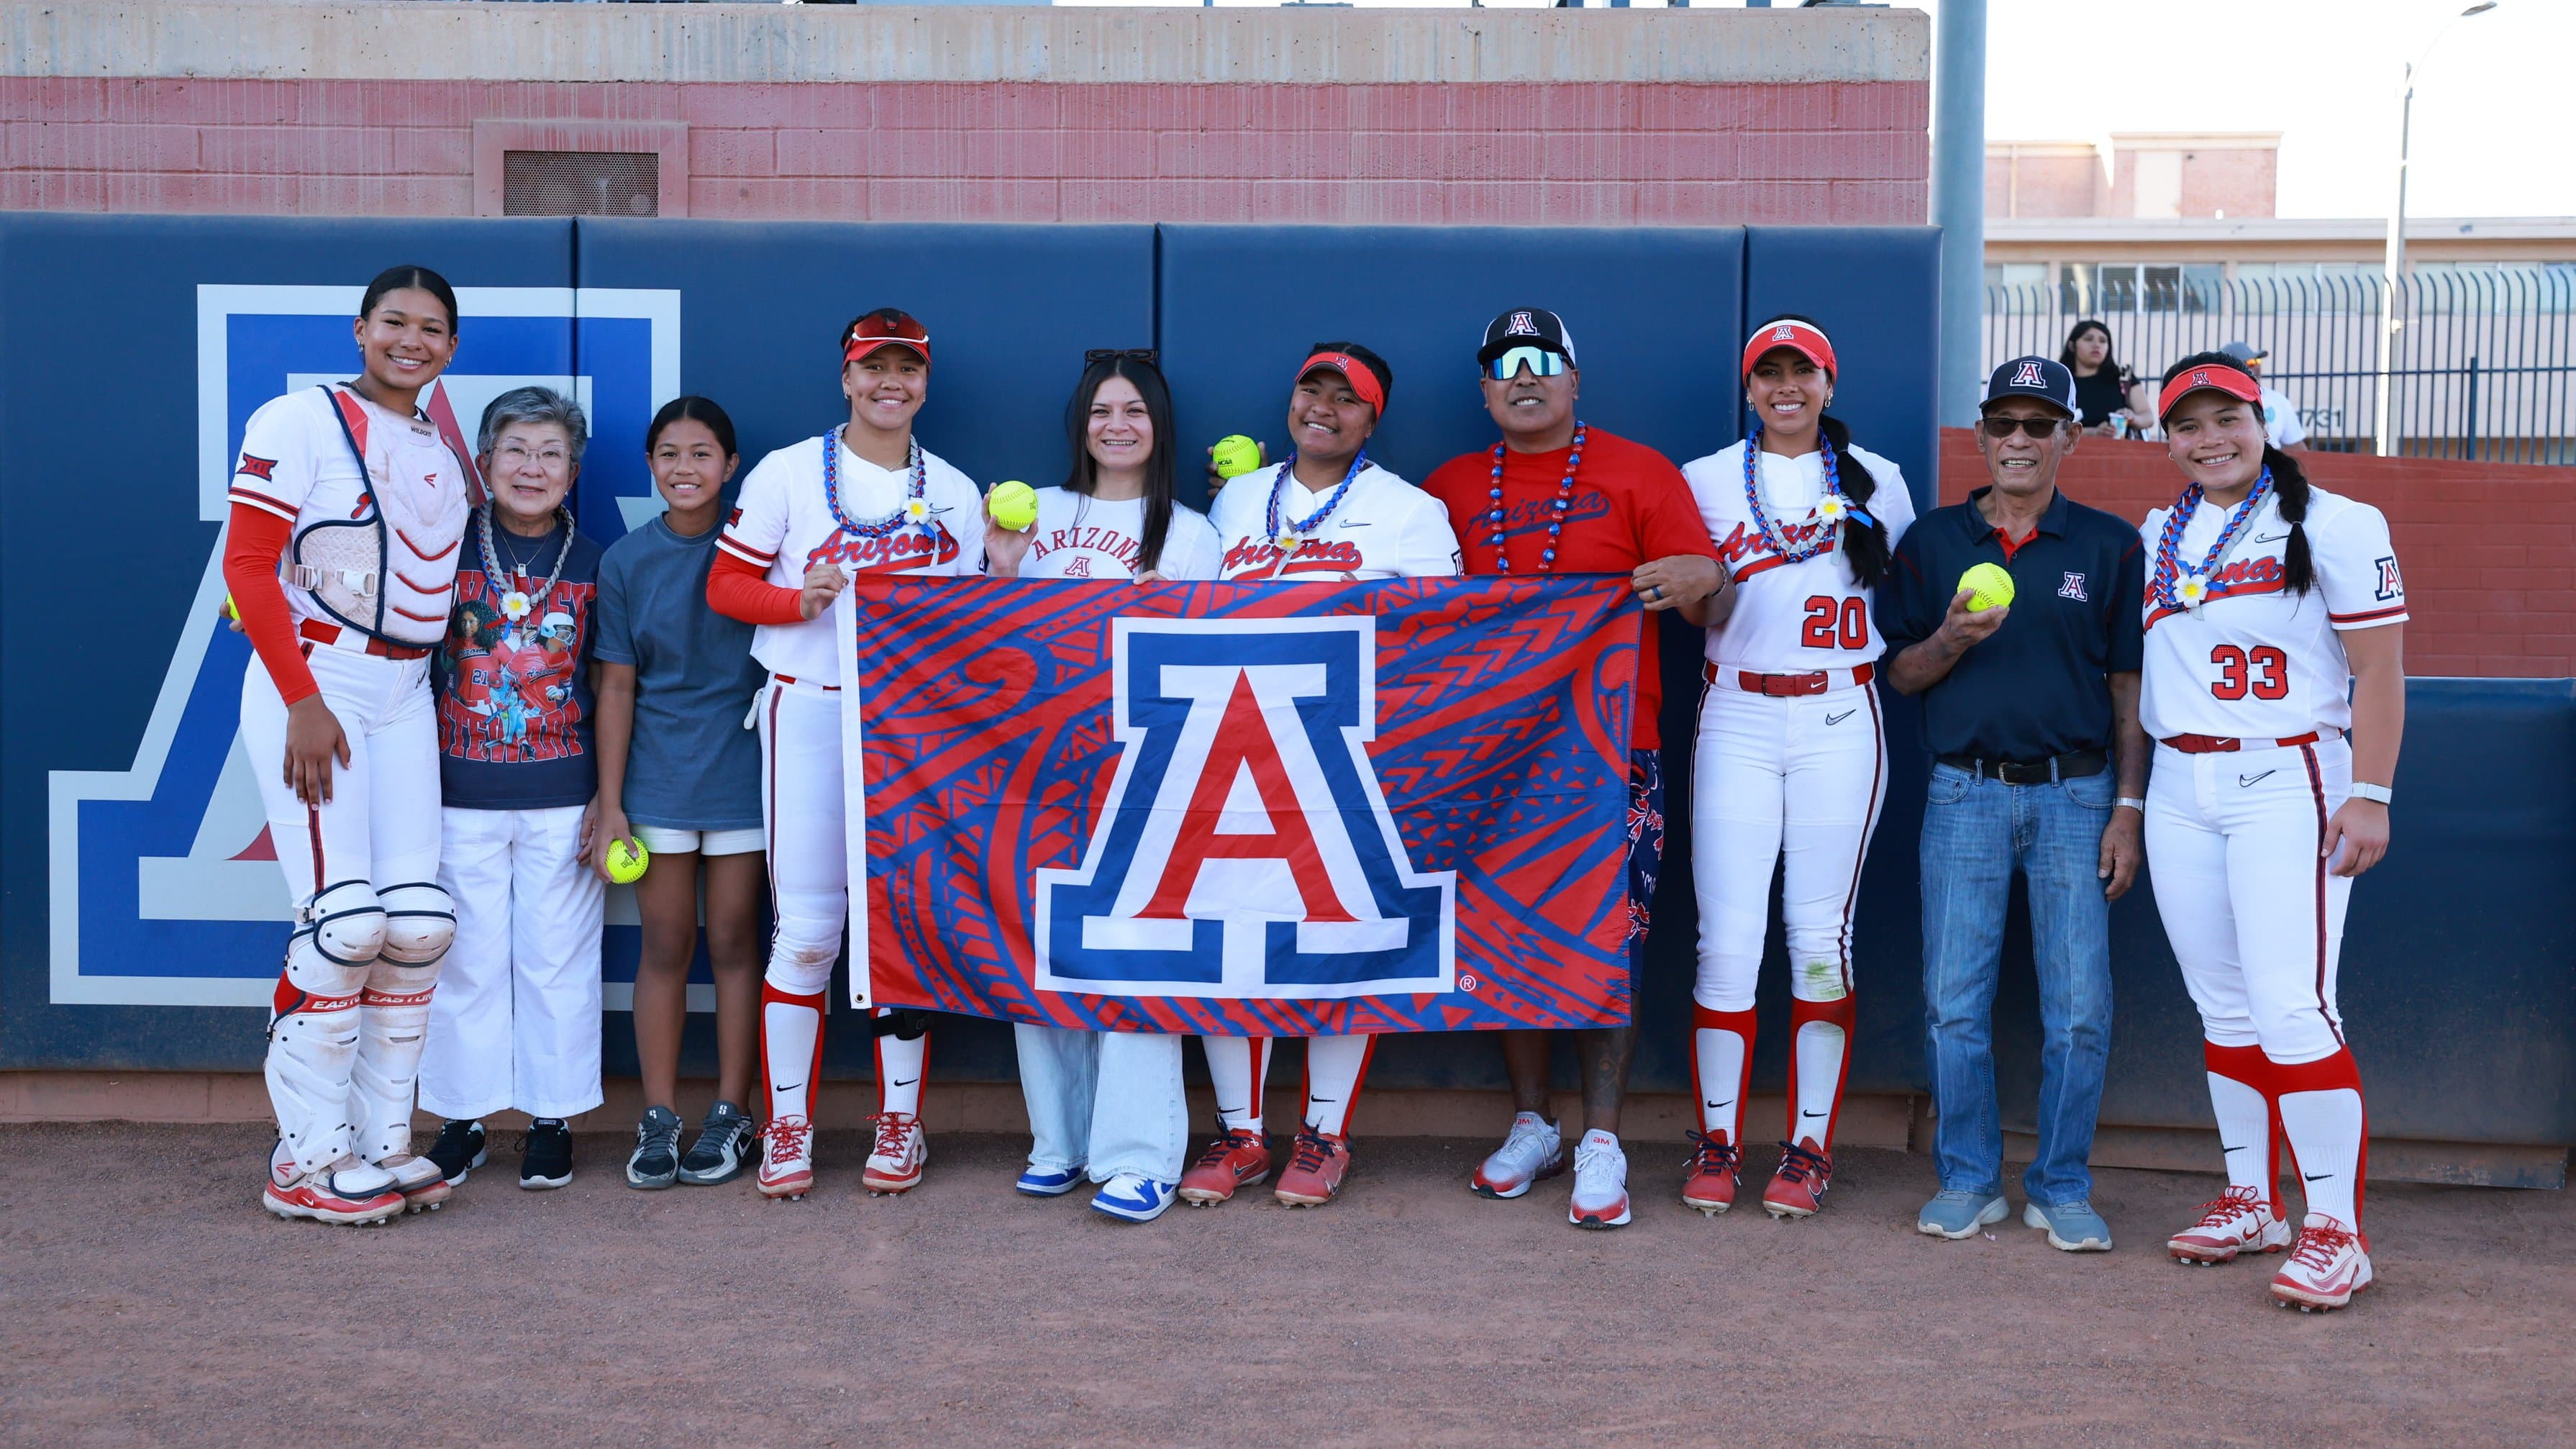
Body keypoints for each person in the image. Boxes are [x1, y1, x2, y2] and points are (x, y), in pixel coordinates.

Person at [1419, 307, 1724, 1230]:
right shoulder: (1448, 485)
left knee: (1609, 937)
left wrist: (1704, 581)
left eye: (1541, 360)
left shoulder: (1639, 471)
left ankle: (1602, 1138)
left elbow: (1707, 586)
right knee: (1499, 932)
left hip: (1609, 750)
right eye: (1503, 364)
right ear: (1482, 387)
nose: (1523, 375)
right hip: (1489, 756)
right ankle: (1533, 1124)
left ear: (1574, 378)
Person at [2141, 352, 2403, 1312]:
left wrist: (2369, 789)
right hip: (2180, 777)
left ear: (2264, 418)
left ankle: (2337, 1228)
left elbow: (2379, 668)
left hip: (2287, 771)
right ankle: (2254, 1199)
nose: (2209, 438)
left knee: (2292, 1004)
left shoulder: (2338, 520)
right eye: (2187, 423)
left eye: (2227, 418)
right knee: (2224, 1007)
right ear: (2165, 437)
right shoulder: (2157, 532)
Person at [1177, 342, 1461, 1210]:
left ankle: (1324, 1132)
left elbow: (1445, 644)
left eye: (1347, 398)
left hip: (1352, 758)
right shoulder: (1233, 498)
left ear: (1372, 419)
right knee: (1228, 934)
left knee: (1347, 937)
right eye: (1312, 389)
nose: (1323, 408)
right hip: (1232, 755)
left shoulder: (1410, 510)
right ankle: (1241, 1133)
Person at [709, 308, 986, 1200]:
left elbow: (981, 625)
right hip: (812, 711)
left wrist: (1004, 571)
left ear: (925, 383)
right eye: (874, 368)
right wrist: (794, 602)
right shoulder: (790, 471)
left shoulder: (954, 487)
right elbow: (725, 585)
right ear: (846, 378)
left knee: (900, 930)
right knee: (810, 931)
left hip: (913, 726)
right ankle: (788, 1123)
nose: (888, 383)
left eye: (905, 369)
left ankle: (899, 1124)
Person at [1879, 356, 2147, 1252]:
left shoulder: (2108, 545)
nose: (2019, 441)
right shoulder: (1930, 540)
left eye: (2040, 425)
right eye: (2004, 424)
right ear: (1982, 436)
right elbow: (1901, 673)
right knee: (1954, 999)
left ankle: (2061, 1183)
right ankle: (1966, 1176)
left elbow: (2126, 689)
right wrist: (1949, 636)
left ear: (2070, 435)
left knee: (2079, 1006)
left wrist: (2127, 808)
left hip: (2077, 793)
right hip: (1965, 791)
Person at [227, 265, 470, 1225]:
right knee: (342, 925)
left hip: (404, 690)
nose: (413, 340)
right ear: (360, 328)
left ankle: (380, 1142)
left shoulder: (438, 450)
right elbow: (248, 563)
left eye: (433, 329)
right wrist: (300, 697)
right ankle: (307, 1156)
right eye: (396, 322)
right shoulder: (296, 420)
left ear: (452, 348)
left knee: (415, 926)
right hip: (318, 680)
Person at [1676, 314, 1916, 1219]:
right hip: (1735, 706)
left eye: (1802, 371)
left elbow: (1902, 589)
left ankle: (1809, 1146)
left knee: (1819, 939)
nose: (1785, 386)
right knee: (1725, 943)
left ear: (1827, 383)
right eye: (1768, 371)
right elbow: (1698, 613)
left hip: (1836, 710)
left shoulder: (1877, 479)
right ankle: (1716, 1142)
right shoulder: (1703, 478)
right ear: (1748, 388)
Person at [985, 350, 1224, 1223]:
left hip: (1148, 773)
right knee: (1037, 949)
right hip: (1039, 768)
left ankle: (1138, 1156)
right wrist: (1001, 569)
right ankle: (1060, 1141)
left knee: (1134, 957)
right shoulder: (1033, 513)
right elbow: (978, 644)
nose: (1115, 425)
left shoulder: (1195, 534)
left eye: (1133, 410)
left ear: (1158, 425)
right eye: (1099, 411)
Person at [414, 387, 609, 1191]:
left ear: (573, 471)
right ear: (483, 462)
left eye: (551, 454)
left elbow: (613, 684)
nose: (532, 468)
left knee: (557, 960)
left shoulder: (600, 560)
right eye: (516, 451)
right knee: (465, 960)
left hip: (564, 796)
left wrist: (608, 796)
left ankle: (552, 1117)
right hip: (457, 795)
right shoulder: (437, 549)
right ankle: (462, 1118)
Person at [593, 397, 770, 1190]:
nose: (685, 468)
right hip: (656, 782)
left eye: (702, 453)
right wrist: (612, 802)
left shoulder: (763, 551)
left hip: (743, 775)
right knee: (665, 946)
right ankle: (659, 1117)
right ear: (650, 464)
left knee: (735, 943)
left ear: (730, 466)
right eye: (668, 452)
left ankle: (733, 1113)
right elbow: (618, 690)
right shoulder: (627, 561)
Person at [2060, 319, 2149, 438]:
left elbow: (2148, 417)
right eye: (2089, 339)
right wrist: (2092, 432)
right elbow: (2055, 427)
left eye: (2103, 341)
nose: (2097, 345)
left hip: (2120, 453)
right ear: (2072, 346)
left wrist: (2132, 418)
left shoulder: (2124, 376)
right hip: (2070, 453)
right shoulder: (2060, 380)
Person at [2221, 341, 2306, 451]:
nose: (2256, 366)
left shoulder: (2278, 400)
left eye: (2258, 361)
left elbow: (2297, 447)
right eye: (2251, 363)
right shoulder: (2217, 402)